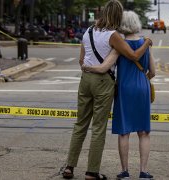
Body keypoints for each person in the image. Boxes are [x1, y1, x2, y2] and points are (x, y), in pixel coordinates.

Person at [62, 1, 153, 180]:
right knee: (98, 127)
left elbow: (81, 60)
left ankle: (69, 166)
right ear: (118, 16)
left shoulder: (88, 31)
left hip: (85, 79)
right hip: (103, 81)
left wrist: (88, 68)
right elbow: (133, 55)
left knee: (80, 124)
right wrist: (147, 42)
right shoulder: (114, 36)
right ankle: (91, 171)